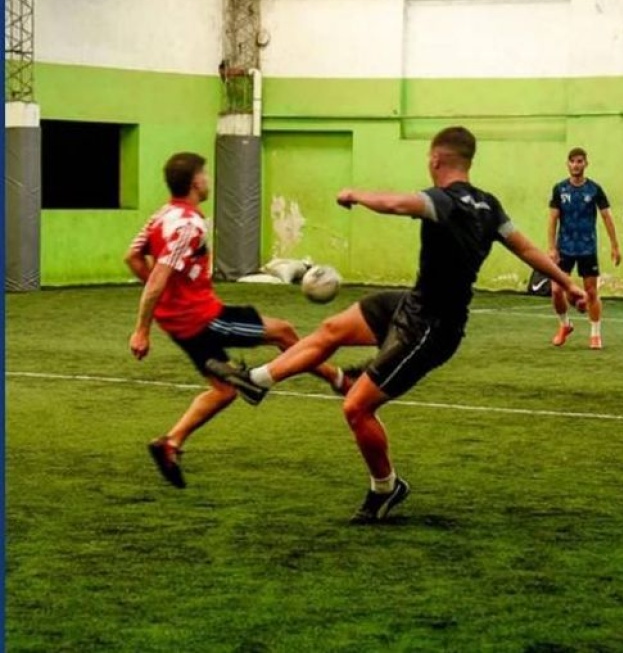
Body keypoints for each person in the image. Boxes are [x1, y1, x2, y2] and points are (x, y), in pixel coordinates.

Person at [208, 127, 588, 523]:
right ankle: (257, 380)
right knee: (332, 330)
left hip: (432, 328)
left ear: (436, 159)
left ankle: (386, 488)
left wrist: (355, 195)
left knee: (357, 408)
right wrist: (569, 283)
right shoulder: (488, 206)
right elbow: (525, 247)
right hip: (412, 302)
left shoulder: (442, 201)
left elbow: (396, 203)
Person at [126, 151, 345, 489]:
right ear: (196, 181)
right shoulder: (189, 225)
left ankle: (170, 443)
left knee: (224, 390)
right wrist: (142, 329)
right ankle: (339, 380)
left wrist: (167, 301)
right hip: (202, 318)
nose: (209, 180)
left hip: (181, 320)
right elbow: (158, 276)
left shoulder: (161, 216)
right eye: (206, 174)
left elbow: (133, 257)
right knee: (283, 332)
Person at [546, 147, 621, 349]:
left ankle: (595, 334)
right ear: (567, 164)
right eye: (572, 161)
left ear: (586, 164)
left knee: (591, 292)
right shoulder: (559, 189)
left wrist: (615, 245)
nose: (576, 165)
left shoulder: (594, 189)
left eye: (580, 161)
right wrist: (552, 248)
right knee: (555, 290)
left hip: (587, 248)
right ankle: (564, 325)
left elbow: (607, 216)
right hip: (565, 248)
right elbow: (553, 218)